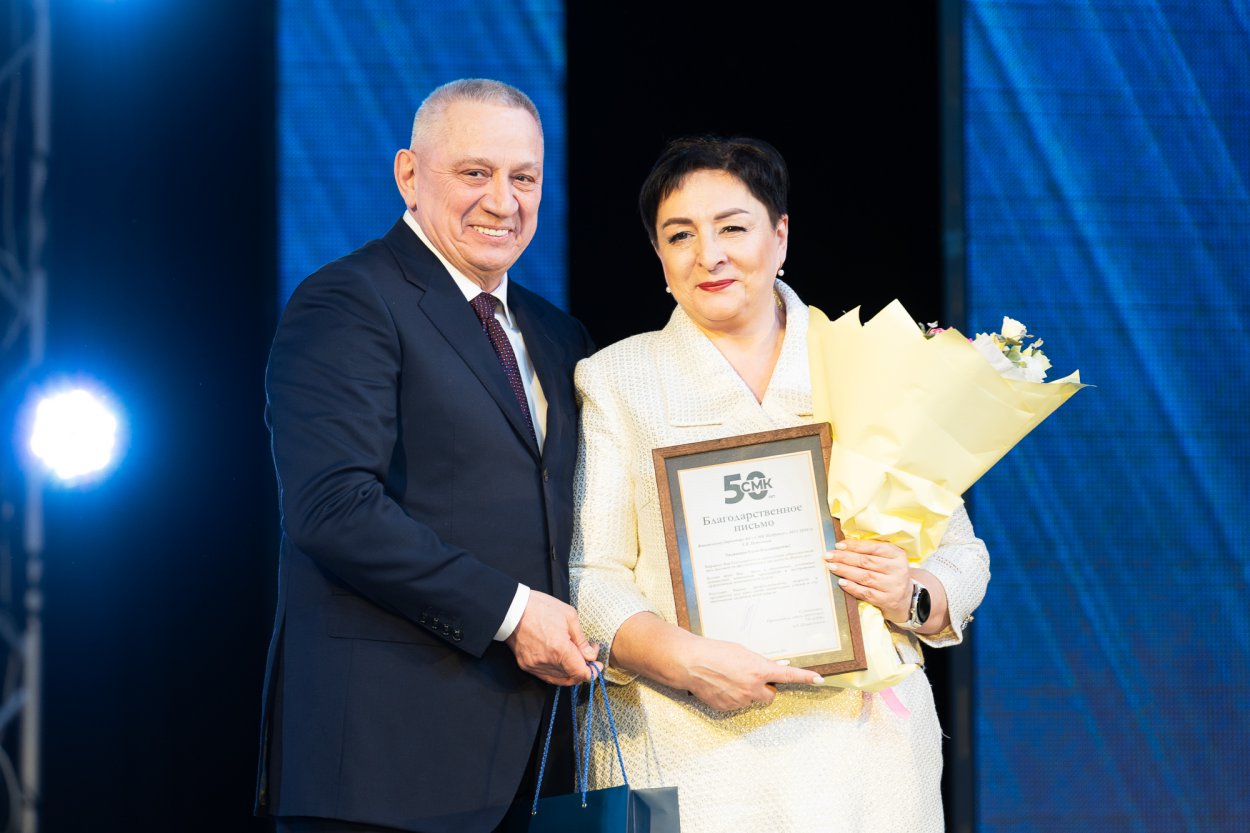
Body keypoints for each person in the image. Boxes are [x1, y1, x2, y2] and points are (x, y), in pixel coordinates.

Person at [569, 136, 991, 833]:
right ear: (659, 256)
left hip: (866, 756)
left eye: (733, 228)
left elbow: (962, 552)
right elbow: (591, 576)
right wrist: (687, 661)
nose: (709, 254)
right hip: (690, 747)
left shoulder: (865, 362)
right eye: (680, 235)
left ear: (781, 234)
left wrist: (911, 592)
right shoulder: (618, 380)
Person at [255, 78, 599, 833]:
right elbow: (333, 508)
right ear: (409, 174)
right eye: (475, 172)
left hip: (537, 764)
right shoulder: (348, 300)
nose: (502, 201)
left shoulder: (557, 334)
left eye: (524, 178)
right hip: (385, 767)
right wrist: (514, 614)